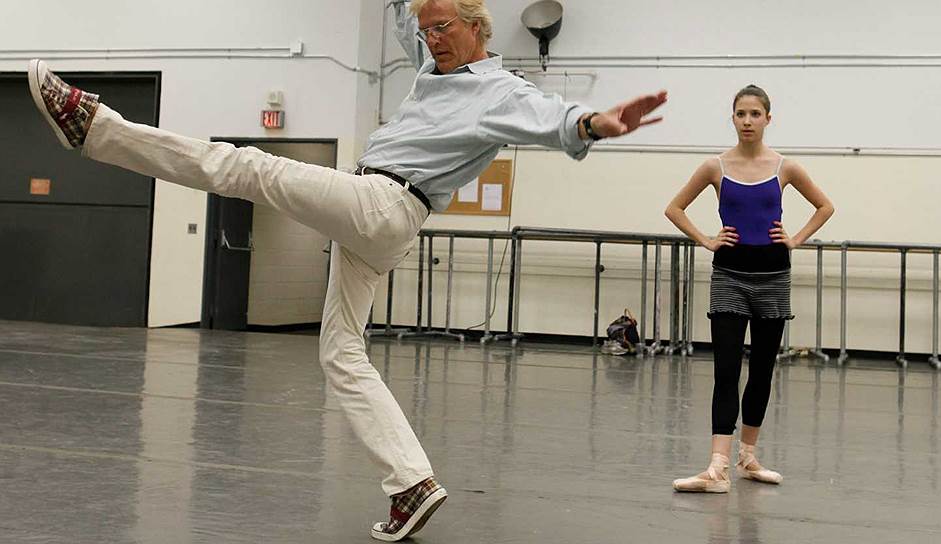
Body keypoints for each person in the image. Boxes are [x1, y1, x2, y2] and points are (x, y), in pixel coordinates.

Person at [27, 0, 667, 538]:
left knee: (249, 166)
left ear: (478, 27)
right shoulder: (431, 66)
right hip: (380, 218)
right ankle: (411, 482)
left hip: (384, 201)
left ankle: (96, 128)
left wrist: (597, 122)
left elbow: (553, 118)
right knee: (340, 349)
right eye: (426, 29)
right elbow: (402, 15)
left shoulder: (500, 90)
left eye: (443, 27)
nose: (431, 38)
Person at [664, 84, 833, 493]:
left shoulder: (785, 168)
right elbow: (674, 208)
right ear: (733, 118)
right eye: (741, 114)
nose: (747, 121)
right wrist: (707, 240)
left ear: (768, 119)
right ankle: (717, 466)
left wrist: (795, 239)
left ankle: (748, 457)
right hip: (729, 275)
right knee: (726, 370)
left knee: (761, 369)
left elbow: (825, 206)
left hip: (773, 277)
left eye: (755, 114)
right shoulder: (715, 167)